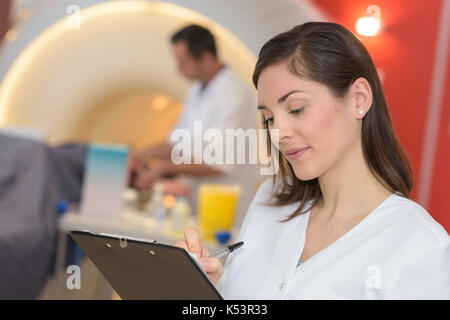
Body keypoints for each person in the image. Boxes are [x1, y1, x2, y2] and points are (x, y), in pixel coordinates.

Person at [175, 22, 450, 299]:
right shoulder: (270, 201)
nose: (277, 133)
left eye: (296, 109)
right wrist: (211, 289)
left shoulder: (420, 247)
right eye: (269, 118)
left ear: (359, 99)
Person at [129, 25, 259, 228]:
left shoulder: (235, 95)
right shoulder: (198, 90)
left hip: (226, 210)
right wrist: (141, 154)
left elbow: (218, 163)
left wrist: (161, 168)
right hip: (195, 205)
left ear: (206, 57)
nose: (178, 69)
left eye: (183, 62)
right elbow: (177, 144)